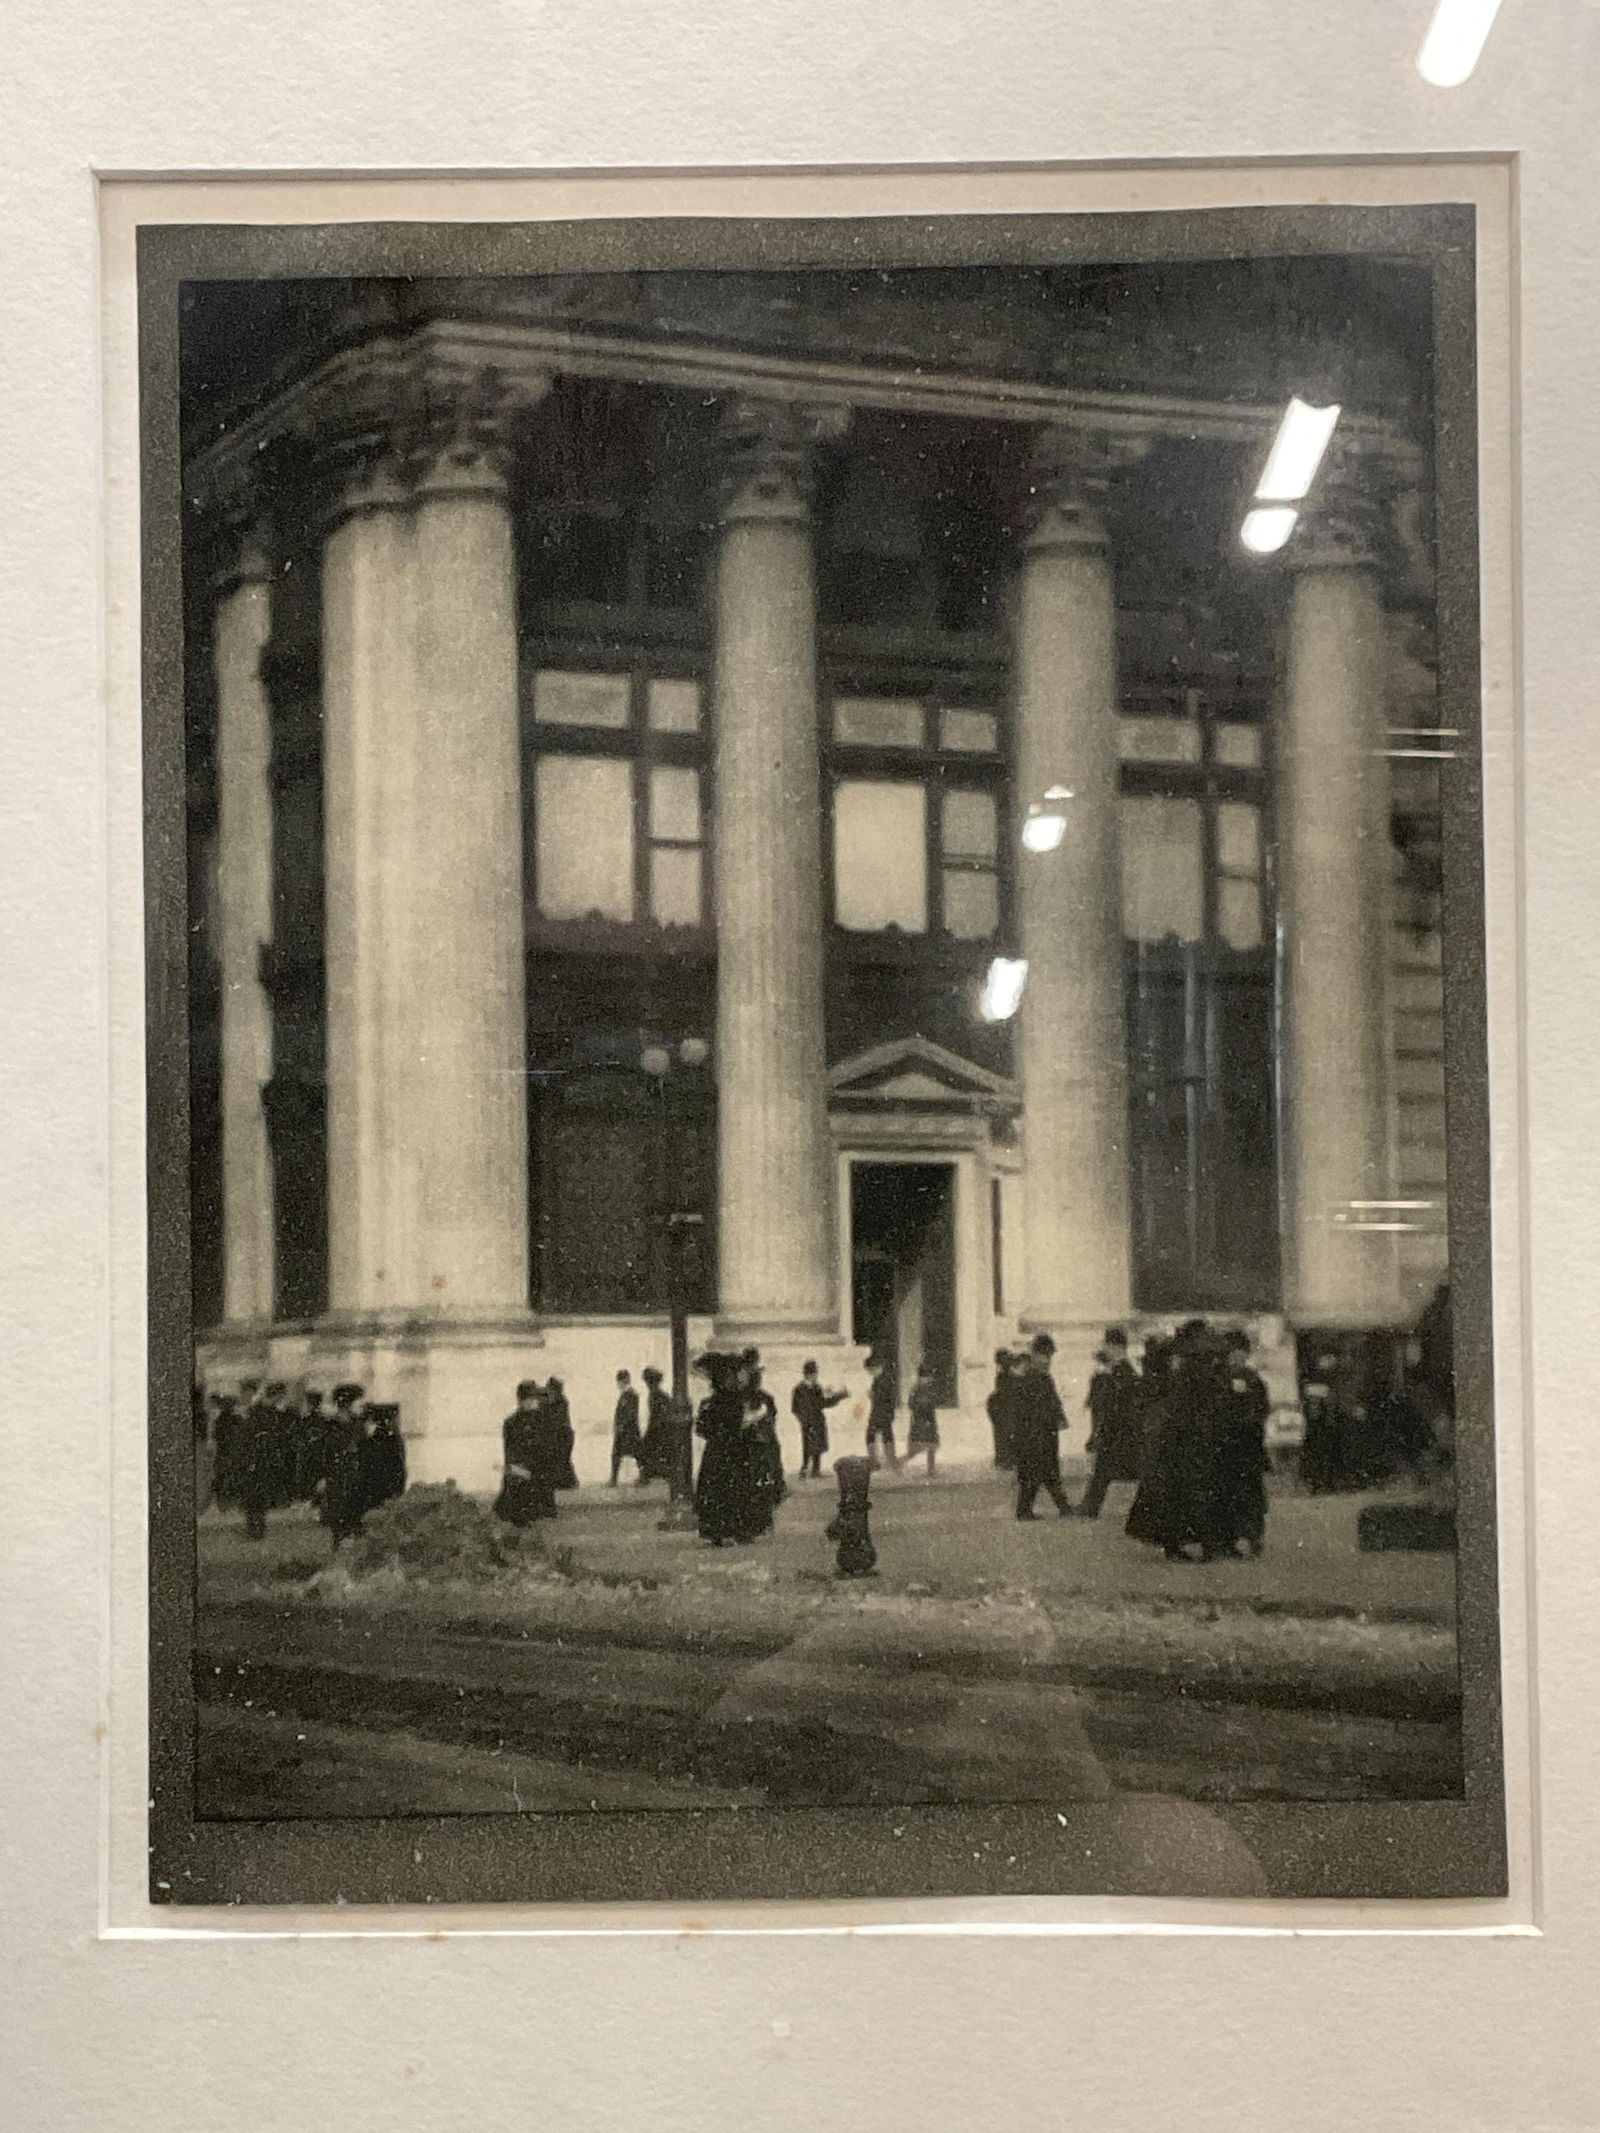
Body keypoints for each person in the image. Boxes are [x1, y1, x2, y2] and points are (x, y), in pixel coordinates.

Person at [693, 1351, 776, 1544]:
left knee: (724, 1491)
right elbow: (734, 1424)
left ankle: (722, 1532)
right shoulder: (729, 1400)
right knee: (734, 1490)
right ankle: (736, 1530)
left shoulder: (714, 1401)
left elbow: (703, 1428)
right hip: (732, 1452)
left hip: (720, 1453)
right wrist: (750, 1419)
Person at [1206, 1329, 1271, 1559]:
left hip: (1246, 1446)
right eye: (1233, 1353)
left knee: (1249, 1495)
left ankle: (1253, 1537)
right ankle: (1230, 1540)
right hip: (1228, 1447)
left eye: (1241, 1353)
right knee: (1228, 1495)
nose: (1237, 1358)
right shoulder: (1220, 1378)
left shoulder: (1252, 1378)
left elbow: (1262, 1408)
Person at [1078, 1328, 1144, 1519]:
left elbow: (1116, 1404)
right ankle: (1090, 1507)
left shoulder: (1122, 1371)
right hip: (1117, 1431)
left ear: (1115, 1346)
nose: (1104, 1348)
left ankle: (1090, 1507)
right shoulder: (1122, 1370)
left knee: (1109, 1470)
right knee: (1104, 1470)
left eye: (1106, 1344)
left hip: (1119, 1431)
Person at [1011, 1333, 1073, 1519]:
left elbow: (1053, 1401)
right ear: (1036, 1355)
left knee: (1046, 1472)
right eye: (1045, 1356)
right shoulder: (1033, 1377)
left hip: (1041, 1433)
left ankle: (1059, 1507)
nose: (1048, 1361)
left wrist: (1059, 1417)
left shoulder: (1036, 1376)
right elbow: (1043, 1405)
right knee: (1039, 1473)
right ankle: (1029, 1510)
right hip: (1037, 1434)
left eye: (1049, 1356)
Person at [494, 1379, 563, 1527]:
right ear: (522, 1400)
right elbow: (510, 1452)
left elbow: (550, 1449)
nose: (533, 1403)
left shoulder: (543, 1420)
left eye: (533, 1399)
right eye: (529, 1399)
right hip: (522, 1470)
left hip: (538, 1469)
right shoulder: (512, 1423)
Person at [317, 1383, 370, 1546]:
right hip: (336, 1478)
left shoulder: (358, 1425)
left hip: (356, 1477)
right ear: (347, 1403)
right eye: (356, 1402)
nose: (360, 1406)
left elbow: (365, 1452)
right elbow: (322, 1454)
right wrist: (321, 1477)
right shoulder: (329, 1426)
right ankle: (339, 1547)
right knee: (338, 1518)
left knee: (356, 1517)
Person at [790, 1359, 847, 1478]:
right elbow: (795, 1408)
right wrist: (804, 1420)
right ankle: (804, 1469)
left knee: (818, 1446)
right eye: (814, 1373)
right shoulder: (799, 1389)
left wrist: (838, 1397)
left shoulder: (817, 1387)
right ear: (808, 1374)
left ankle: (816, 1470)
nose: (816, 1376)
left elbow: (823, 1403)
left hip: (818, 1421)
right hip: (807, 1422)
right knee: (808, 1446)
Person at [636, 1365, 675, 1484]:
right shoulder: (660, 1395)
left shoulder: (656, 1395)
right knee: (648, 1452)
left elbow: (657, 1416)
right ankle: (648, 1475)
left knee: (644, 1451)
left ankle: (646, 1476)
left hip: (659, 1429)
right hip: (661, 1429)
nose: (647, 1384)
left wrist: (650, 1431)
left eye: (648, 1381)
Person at [863, 1351, 900, 1472]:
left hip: (882, 1412)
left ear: (878, 1367)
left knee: (873, 1435)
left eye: (871, 1370)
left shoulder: (884, 1380)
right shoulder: (880, 1379)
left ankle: (877, 1461)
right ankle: (889, 1460)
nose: (870, 1373)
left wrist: (873, 1395)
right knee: (885, 1435)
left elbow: (887, 1396)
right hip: (881, 1412)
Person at [904, 1360, 940, 1477]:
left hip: (929, 1421)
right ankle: (898, 1463)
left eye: (929, 1377)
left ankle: (931, 1470)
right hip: (920, 1421)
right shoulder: (916, 1389)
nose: (928, 1379)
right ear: (920, 1377)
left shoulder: (929, 1389)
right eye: (926, 1377)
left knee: (931, 1447)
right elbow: (911, 1404)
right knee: (916, 1449)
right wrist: (922, 1406)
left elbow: (934, 1402)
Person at [609, 1369, 644, 1485]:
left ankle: (614, 1480)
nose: (618, 1384)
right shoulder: (628, 1394)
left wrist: (621, 1426)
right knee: (634, 1454)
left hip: (628, 1430)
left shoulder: (630, 1395)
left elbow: (630, 1413)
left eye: (619, 1381)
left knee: (628, 1454)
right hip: (627, 1430)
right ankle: (614, 1479)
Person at [545, 1378, 579, 1491]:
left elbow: (556, 1420)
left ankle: (570, 1482)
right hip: (563, 1435)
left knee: (563, 1459)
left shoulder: (561, 1402)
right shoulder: (559, 1401)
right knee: (562, 1459)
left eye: (550, 1390)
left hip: (564, 1436)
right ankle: (567, 1482)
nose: (549, 1392)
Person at [987, 1349, 1018, 1470]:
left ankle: (1004, 1459)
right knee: (1005, 1434)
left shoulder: (1004, 1375)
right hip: (1005, 1408)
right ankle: (1006, 1460)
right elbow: (1006, 1392)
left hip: (1003, 1408)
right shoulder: (1005, 1375)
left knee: (1004, 1435)